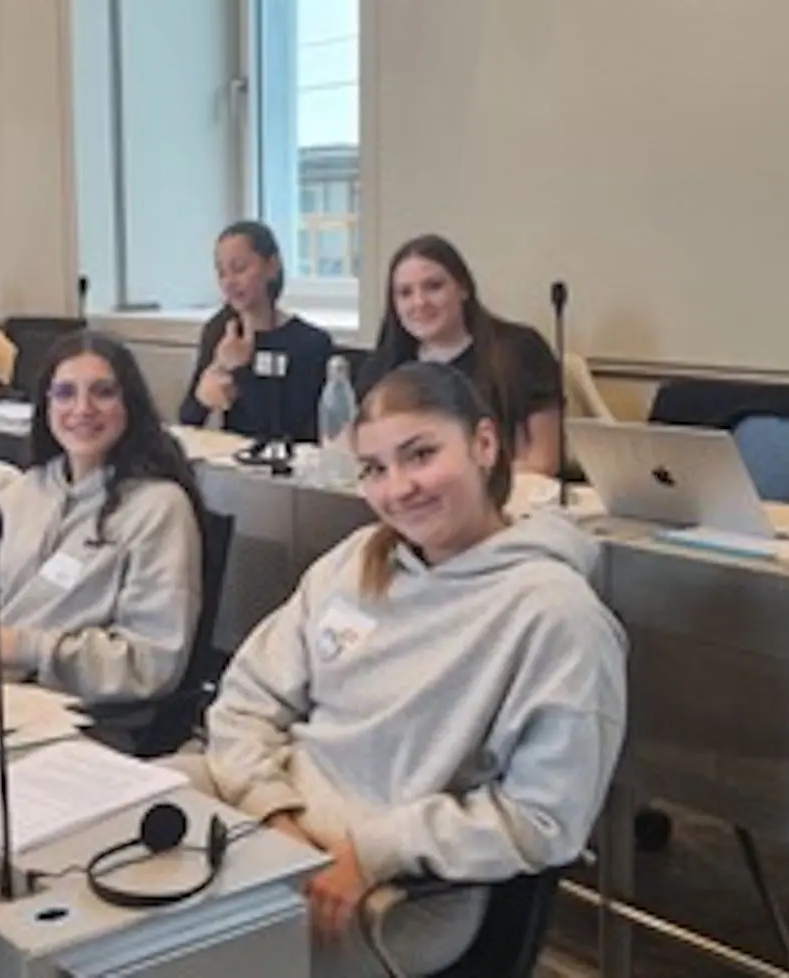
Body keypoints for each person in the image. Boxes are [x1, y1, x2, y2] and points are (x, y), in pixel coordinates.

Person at [195, 362, 626, 976]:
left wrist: (372, 852)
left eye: (420, 454)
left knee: (172, 948)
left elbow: (543, 820)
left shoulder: (555, 615)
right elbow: (244, 700)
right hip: (282, 816)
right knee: (104, 840)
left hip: (404, 885)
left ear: (484, 443)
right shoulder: (356, 562)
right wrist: (274, 815)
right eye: (374, 469)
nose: (398, 489)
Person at [0, 331, 204, 703]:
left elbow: (151, 661)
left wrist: (25, 648)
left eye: (103, 392)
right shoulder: (22, 491)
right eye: (65, 393)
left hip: (71, 708)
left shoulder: (159, 507)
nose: (82, 408)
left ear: (130, 404)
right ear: (45, 404)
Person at [355, 234, 564, 476]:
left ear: (463, 288)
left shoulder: (519, 349)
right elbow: (358, 452)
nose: (419, 302)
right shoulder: (385, 366)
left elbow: (544, 461)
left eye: (433, 286)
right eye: (405, 293)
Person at [179, 220, 334, 443]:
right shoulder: (220, 331)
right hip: (234, 459)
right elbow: (188, 420)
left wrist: (241, 369)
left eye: (240, 269)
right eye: (221, 273)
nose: (229, 283)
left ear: (271, 266)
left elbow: (288, 430)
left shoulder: (310, 342)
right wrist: (205, 394)